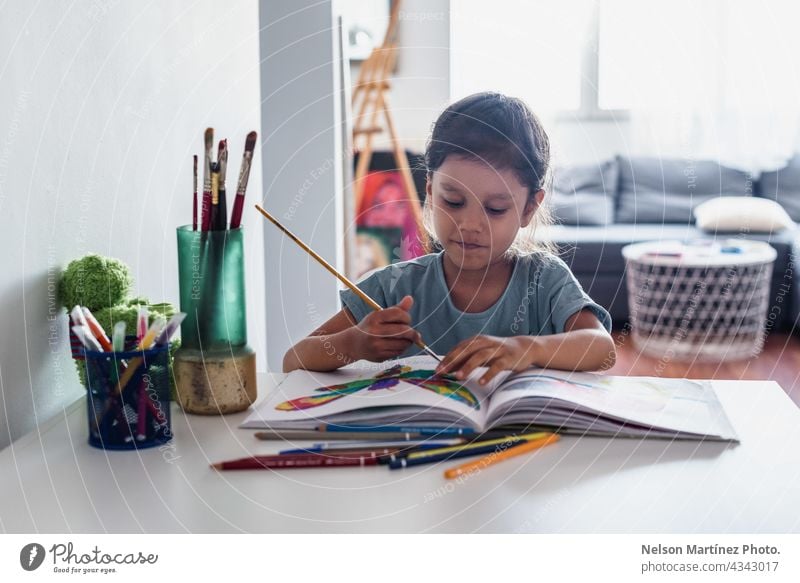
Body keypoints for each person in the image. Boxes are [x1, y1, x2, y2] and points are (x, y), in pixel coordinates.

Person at [283, 92, 616, 384]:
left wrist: (525, 349)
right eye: (453, 201)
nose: (469, 224)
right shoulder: (394, 287)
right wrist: (354, 344)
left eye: (496, 208)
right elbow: (293, 360)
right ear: (429, 191)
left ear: (529, 208)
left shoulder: (545, 280)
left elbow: (602, 350)